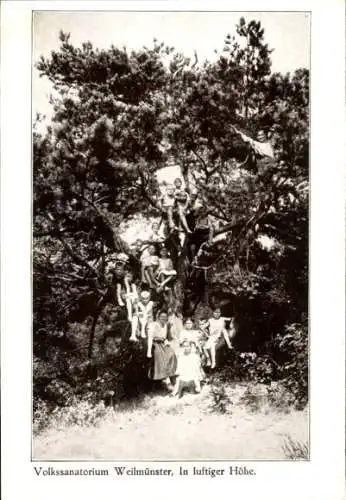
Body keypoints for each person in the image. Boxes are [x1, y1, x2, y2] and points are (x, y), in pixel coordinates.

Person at [147, 310, 178, 390]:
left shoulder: (166, 325)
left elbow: (166, 337)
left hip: (163, 343)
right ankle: (167, 381)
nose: (164, 319)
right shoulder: (153, 324)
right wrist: (149, 351)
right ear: (158, 317)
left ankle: (172, 376)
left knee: (172, 354)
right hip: (154, 343)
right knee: (161, 357)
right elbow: (150, 338)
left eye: (165, 317)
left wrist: (167, 341)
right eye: (162, 317)